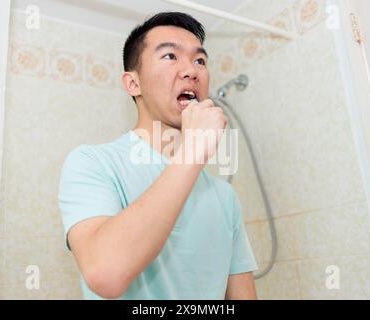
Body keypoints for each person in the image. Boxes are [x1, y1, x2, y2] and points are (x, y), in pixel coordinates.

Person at [58, 11, 258, 300]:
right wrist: (192, 152)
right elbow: (105, 273)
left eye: (199, 60)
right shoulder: (92, 164)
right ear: (133, 84)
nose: (191, 70)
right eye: (170, 57)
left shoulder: (225, 197)